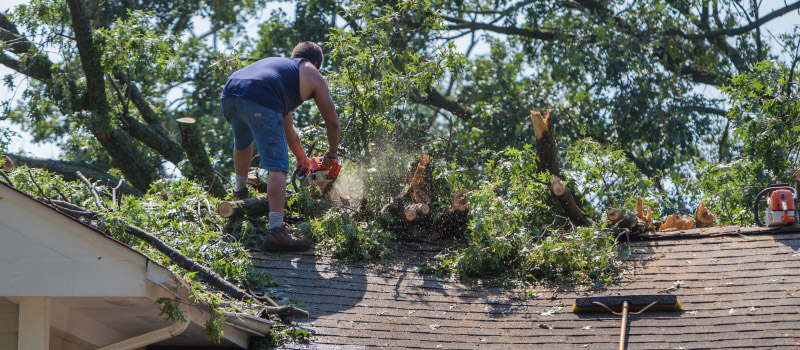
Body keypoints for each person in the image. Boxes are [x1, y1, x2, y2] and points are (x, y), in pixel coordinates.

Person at [221, 41, 339, 252]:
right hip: (258, 95)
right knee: (278, 164)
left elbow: (288, 130)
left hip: (231, 92)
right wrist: (332, 153)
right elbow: (332, 121)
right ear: (314, 63)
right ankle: (276, 231)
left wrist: (302, 158)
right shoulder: (310, 71)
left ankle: (239, 192)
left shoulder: (280, 75)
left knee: (243, 141)